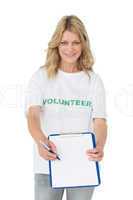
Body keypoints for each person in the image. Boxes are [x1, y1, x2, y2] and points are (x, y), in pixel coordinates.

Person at [24, 15, 107, 200]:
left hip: (83, 166)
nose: (70, 49)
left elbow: (100, 121)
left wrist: (100, 145)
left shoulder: (93, 80)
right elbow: (32, 116)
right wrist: (41, 141)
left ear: (83, 44)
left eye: (76, 42)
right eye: (64, 42)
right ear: (57, 44)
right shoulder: (41, 77)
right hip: (48, 164)